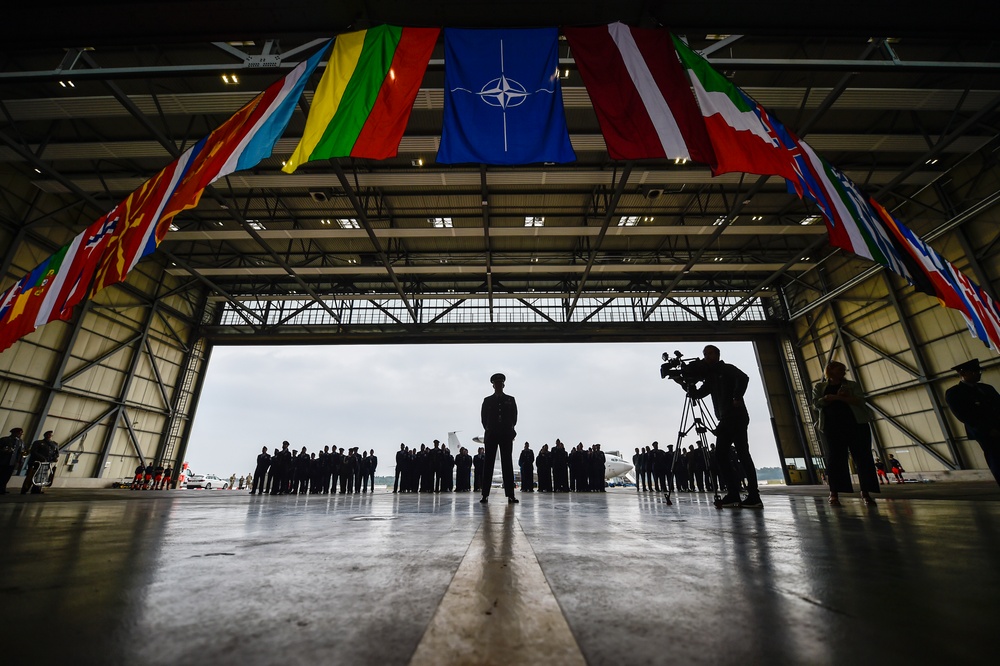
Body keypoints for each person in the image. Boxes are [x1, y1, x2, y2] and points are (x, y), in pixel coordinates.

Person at [689, 345, 761, 509]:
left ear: (717, 354)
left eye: (709, 353)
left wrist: (737, 396)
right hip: (726, 419)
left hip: (735, 417)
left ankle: (751, 495)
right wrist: (685, 384)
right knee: (725, 455)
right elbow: (699, 394)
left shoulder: (726, 369)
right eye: (704, 354)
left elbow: (743, 378)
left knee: (738, 454)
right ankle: (736, 494)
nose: (707, 356)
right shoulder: (712, 377)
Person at [812, 361, 879, 506]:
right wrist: (826, 399)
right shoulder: (820, 387)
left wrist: (837, 398)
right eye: (840, 369)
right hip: (832, 426)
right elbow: (816, 404)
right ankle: (834, 492)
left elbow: (860, 401)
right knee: (835, 459)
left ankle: (866, 492)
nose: (843, 371)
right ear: (830, 370)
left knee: (863, 458)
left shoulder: (852, 385)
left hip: (856, 424)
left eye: (844, 369)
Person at [945, 358, 1000, 487]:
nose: (978, 374)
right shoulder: (955, 393)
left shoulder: (987, 388)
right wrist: (988, 430)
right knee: (997, 460)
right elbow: (964, 416)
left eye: (978, 371)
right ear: (963, 373)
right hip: (986, 433)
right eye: (974, 372)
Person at [480, 372, 518, 504]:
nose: (498, 385)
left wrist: (509, 429)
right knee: (488, 465)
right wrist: (490, 429)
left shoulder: (510, 400)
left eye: (500, 383)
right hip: (492, 435)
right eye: (496, 383)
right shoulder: (487, 401)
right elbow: (484, 419)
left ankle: (510, 495)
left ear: (503, 384)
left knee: (507, 464)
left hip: (506, 435)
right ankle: (485, 494)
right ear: (493, 385)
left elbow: (514, 417)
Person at [21, 430, 59, 494]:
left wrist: (54, 458)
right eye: (48, 434)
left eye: (50, 435)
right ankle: (25, 489)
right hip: (36, 462)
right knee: (31, 475)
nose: (49, 436)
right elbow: (34, 451)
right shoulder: (38, 442)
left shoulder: (54, 444)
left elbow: (56, 453)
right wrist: (42, 458)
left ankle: (37, 489)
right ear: (45, 435)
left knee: (41, 476)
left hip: (46, 463)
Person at [0, 427, 25, 494]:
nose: (20, 434)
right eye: (19, 433)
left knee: (7, 476)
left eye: (21, 433)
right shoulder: (5, 439)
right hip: (3, 460)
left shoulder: (21, 442)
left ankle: (2, 489)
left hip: (12, 462)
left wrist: (21, 461)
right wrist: (4, 451)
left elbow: (21, 452)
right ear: (14, 433)